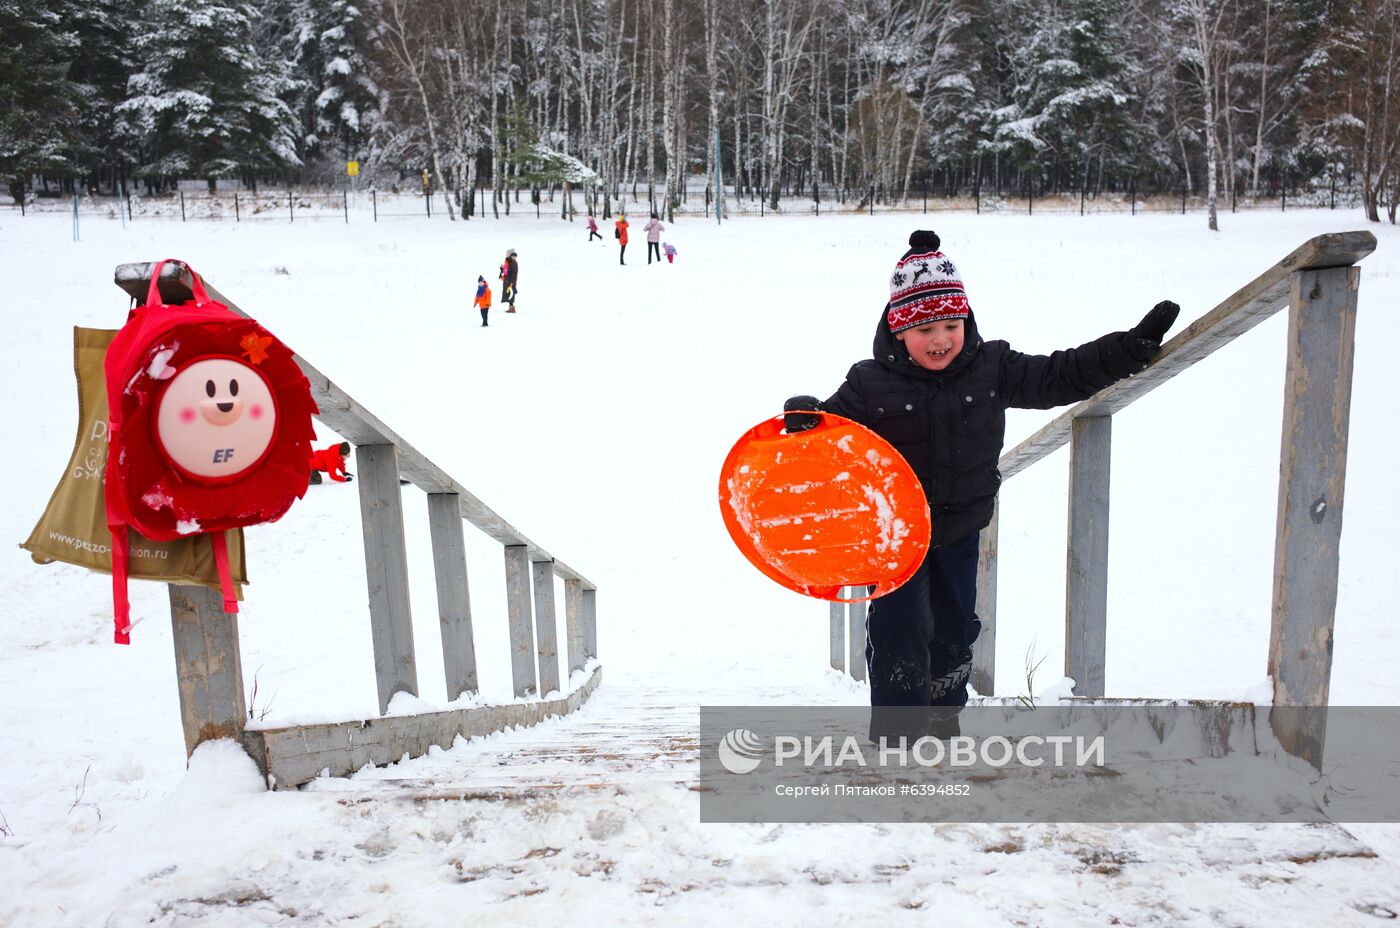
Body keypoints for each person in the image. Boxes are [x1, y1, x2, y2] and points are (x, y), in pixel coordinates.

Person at [784, 230, 1179, 744]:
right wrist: (807, 419)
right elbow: (832, 436)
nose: (940, 340)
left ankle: (943, 717)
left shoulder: (993, 367)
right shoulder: (869, 382)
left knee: (954, 627)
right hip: (895, 535)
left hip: (961, 527)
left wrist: (1126, 350)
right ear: (899, 330)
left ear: (965, 321)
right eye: (925, 329)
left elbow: (1059, 375)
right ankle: (897, 734)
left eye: (951, 325)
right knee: (899, 627)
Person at [499, 248, 518, 312]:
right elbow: (506, 271)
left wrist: (512, 282)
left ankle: (512, 309)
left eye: (507, 253)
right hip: (507, 281)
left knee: (511, 294)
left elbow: (514, 274)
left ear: (510, 254)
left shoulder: (513, 263)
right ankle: (510, 308)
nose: (506, 255)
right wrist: (502, 268)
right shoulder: (508, 262)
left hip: (510, 281)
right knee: (508, 294)